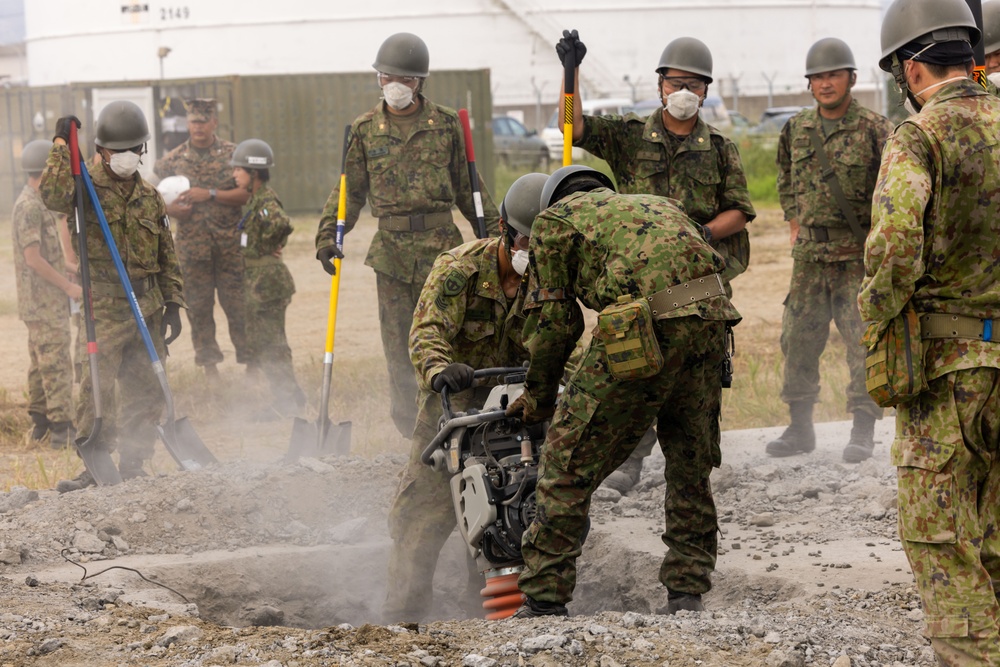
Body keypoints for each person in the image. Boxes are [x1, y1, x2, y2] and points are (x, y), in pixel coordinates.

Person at [508, 165, 741, 618]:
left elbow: (556, 325)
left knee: (565, 462)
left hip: (641, 329)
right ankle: (686, 593)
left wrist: (540, 400)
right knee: (690, 459)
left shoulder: (553, 222)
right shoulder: (662, 205)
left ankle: (543, 600)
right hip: (713, 323)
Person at [553, 30, 756, 494]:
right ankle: (629, 458)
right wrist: (571, 73)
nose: (684, 93)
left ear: (707, 90)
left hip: (698, 284)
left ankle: (691, 469)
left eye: (695, 85)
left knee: (693, 373)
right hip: (638, 282)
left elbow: (740, 211)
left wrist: (703, 234)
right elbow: (573, 127)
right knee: (634, 364)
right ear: (659, 84)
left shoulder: (720, 148)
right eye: (675, 83)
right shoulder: (629, 137)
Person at [861, 0, 1000, 662]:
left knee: (944, 543)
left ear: (910, 69)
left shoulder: (920, 136)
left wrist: (878, 321)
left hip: (948, 371)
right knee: (996, 538)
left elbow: (892, 244)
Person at [314, 32, 501, 440]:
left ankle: (460, 423)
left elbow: (471, 189)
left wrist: (498, 238)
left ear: (420, 82)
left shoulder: (447, 124)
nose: (396, 85)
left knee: (452, 337)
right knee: (399, 347)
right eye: (387, 77)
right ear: (378, 78)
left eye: (406, 78)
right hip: (392, 256)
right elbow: (350, 190)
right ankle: (413, 433)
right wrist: (329, 233)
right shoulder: (365, 130)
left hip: (442, 250)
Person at [382, 173, 546, 623]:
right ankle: (402, 622)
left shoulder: (552, 278)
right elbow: (427, 331)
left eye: (545, 241)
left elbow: (561, 341)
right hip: (452, 414)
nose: (535, 251)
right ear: (505, 231)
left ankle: (501, 619)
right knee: (420, 521)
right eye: (529, 240)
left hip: (515, 411)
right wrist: (439, 369)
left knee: (512, 516)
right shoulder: (459, 269)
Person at [40, 102, 186, 491]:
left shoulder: (151, 196)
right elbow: (52, 196)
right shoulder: (81, 187)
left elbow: (166, 255)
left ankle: (136, 464)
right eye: (118, 150)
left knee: (147, 388)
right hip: (105, 307)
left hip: (148, 306)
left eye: (134, 149)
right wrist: (60, 143)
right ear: (101, 151)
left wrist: (173, 302)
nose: (127, 157)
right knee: (97, 390)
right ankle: (95, 466)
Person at [765, 38, 892, 462]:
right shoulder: (796, 129)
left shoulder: (875, 128)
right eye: (817, 77)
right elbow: (785, 176)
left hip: (856, 255)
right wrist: (794, 221)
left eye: (833, 74)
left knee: (862, 343)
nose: (824, 83)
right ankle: (800, 428)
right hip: (809, 260)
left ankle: (862, 429)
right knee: (797, 340)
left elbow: (891, 188)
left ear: (851, 79)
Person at [154, 98, 249, 379]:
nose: (198, 126)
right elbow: (153, 198)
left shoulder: (233, 155)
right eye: (193, 121)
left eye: (203, 121)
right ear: (187, 123)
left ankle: (251, 362)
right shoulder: (172, 161)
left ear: (214, 123)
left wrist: (208, 193)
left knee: (238, 306)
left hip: (230, 247)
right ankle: (209, 368)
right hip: (193, 251)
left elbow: (246, 195)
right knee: (198, 309)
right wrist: (170, 210)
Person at [11, 139, 80, 449]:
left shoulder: (39, 203)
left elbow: (48, 256)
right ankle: (62, 430)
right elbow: (33, 258)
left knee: (41, 364)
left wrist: (73, 269)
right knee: (56, 364)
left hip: (42, 302)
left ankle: (39, 424)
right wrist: (68, 287)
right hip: (44, 303)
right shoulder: (29, 206)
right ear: (45, 172)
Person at [230, 139, 305, 414]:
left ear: (254, 173)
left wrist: (273, 244)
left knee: (273, 343)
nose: (234, 174)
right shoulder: (255, 200)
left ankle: (287, 401)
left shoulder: (265, 201)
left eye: (239, 170)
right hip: (259, 281)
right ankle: (287, 397)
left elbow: (282, 223)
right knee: (264, 343)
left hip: (268, 282)